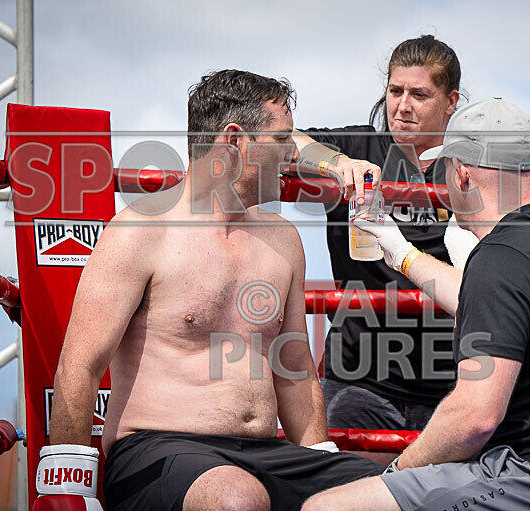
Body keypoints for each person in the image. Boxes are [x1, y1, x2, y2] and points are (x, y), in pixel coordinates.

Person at [47, 69, 383, 511]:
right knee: (235, 497)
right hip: (156, 451)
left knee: (396, 490)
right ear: (234, 140)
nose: (291, 154)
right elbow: (81, 364)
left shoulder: (282, 239)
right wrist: (66, 491)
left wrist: (320, 466)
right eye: (282, 139)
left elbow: (295, 367)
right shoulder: (140, 230)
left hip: (266, 456)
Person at [302, 98, 530, 510]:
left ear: (462, 174)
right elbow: (480, 300)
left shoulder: (502, 255)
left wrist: (398, 472)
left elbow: (474, 418)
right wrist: (401, 252)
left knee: (326, 507)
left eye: (444, 168)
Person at [290, 35, 530, 431]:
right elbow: (285, 140)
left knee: (445, 490)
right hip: (361, 376)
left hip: (454, 382)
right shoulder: (358, 145)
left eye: (419, 94)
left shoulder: (472, 160)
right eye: (395, 90)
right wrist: (336, 164)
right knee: (352, 487)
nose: (402, 106)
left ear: (451, 101)